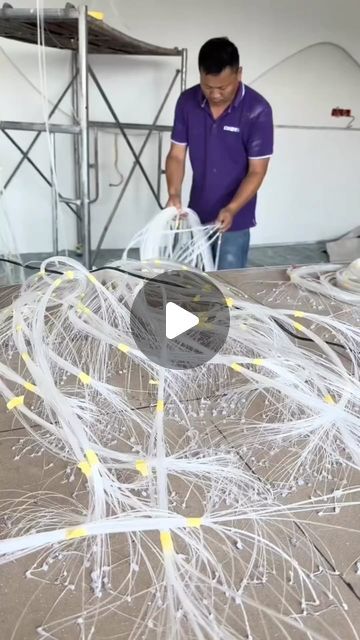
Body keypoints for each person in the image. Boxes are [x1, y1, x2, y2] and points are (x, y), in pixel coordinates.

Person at [165, 37, 273, 269]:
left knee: (228, 286)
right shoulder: (187, 102)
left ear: (239, 74)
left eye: (223, 87)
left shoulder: (257, 110)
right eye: (208, 87)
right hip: (196, 212)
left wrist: (232, 208)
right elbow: (176, 154)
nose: (214, 95)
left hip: (236, 217)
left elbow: (257, 171)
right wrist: (174, 193)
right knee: (193, 280)